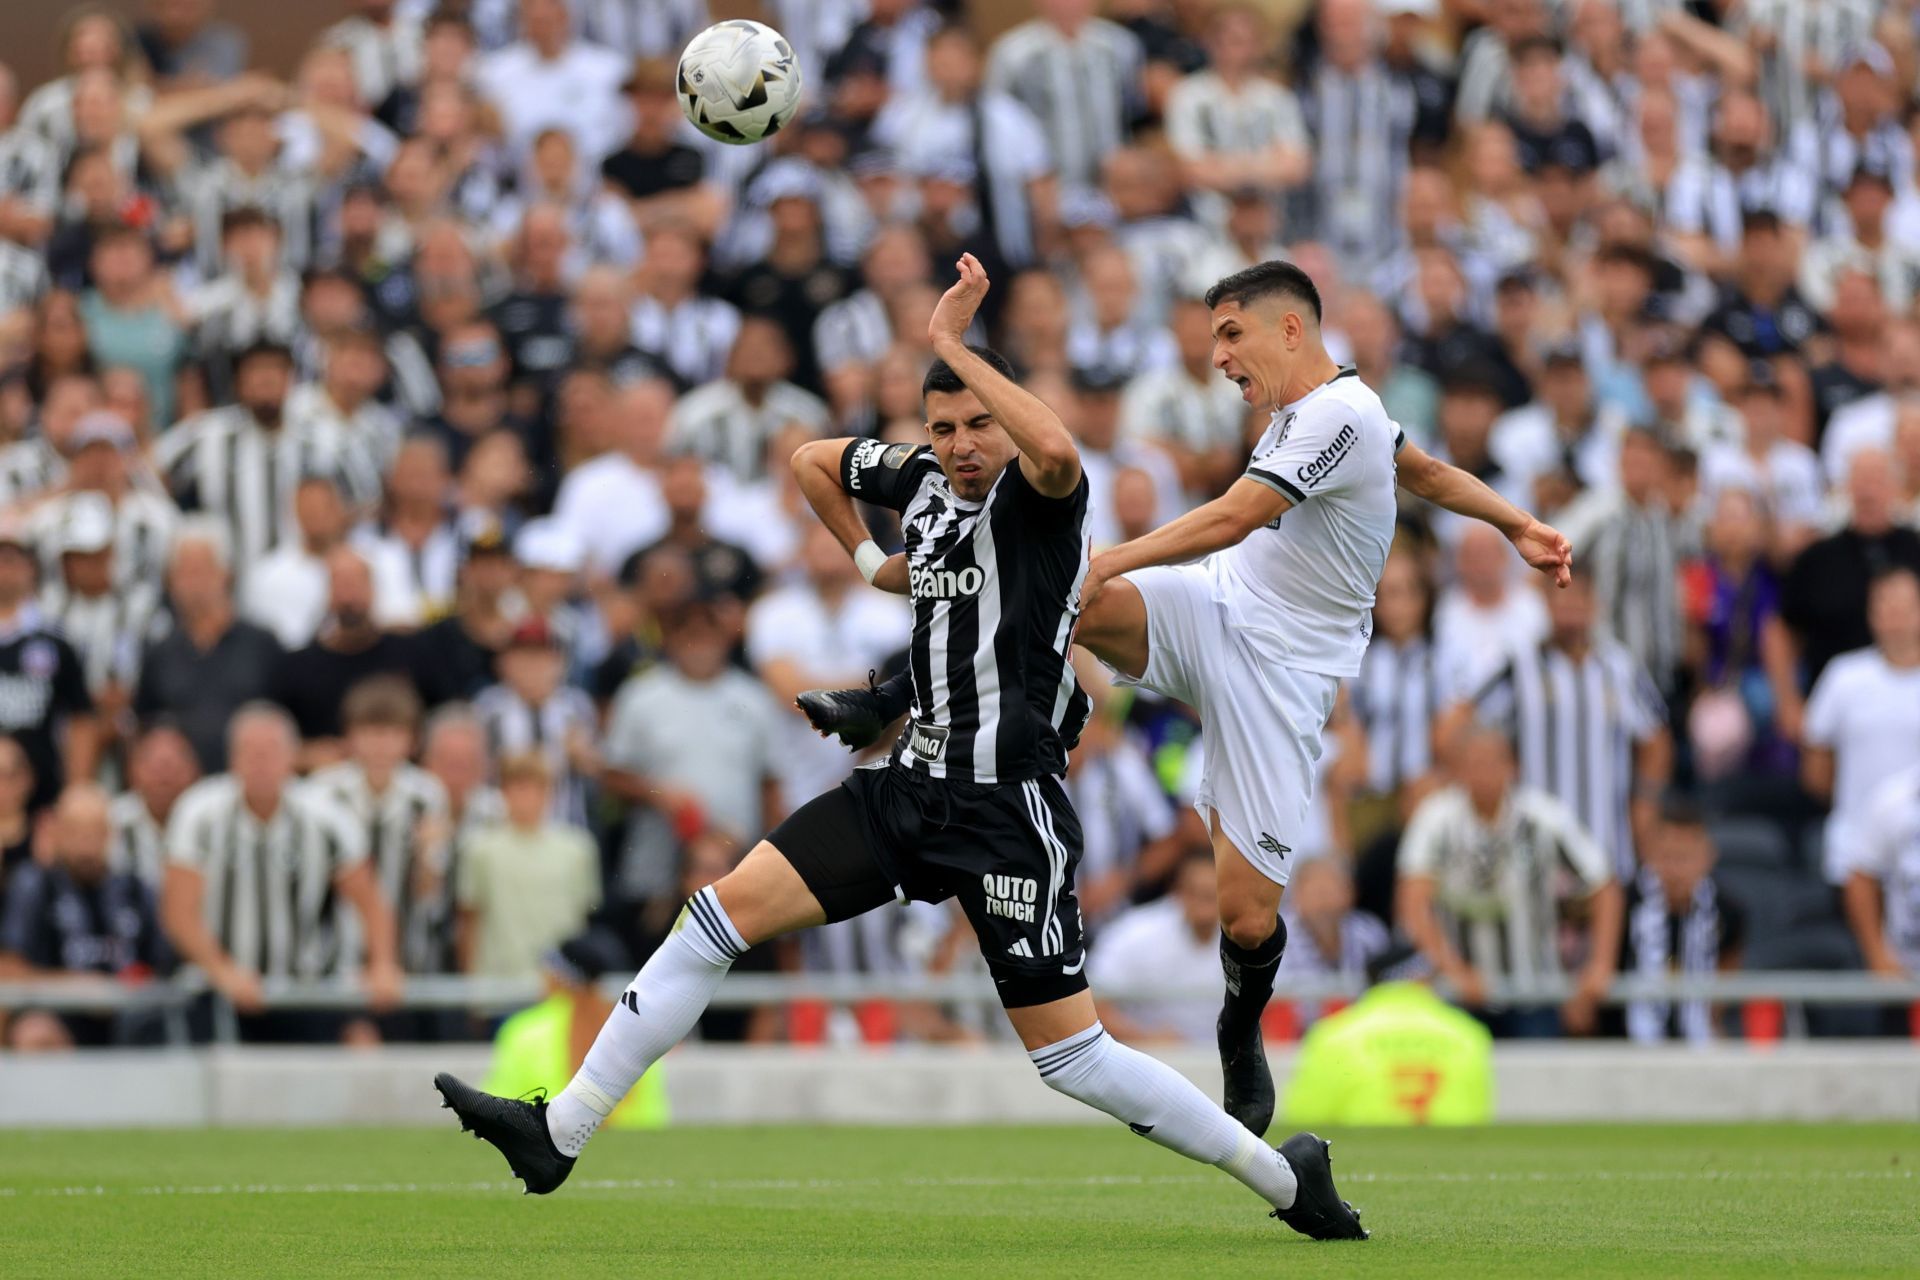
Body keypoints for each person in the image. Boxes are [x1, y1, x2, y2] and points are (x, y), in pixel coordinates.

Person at [435, 255, 1368, 1242]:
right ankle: (560, 1131)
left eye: (978, 423)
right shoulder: (922, 483)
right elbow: (810, 461)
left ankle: (1282, 1175)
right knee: (713, 917)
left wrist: (950, 343)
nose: (962, 445)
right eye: (945, 427)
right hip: (908, 785)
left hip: (1010, 812)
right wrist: (871, 557)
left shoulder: (1043, 505)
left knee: (1073, 1056)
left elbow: (1053, 445)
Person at [1015, 260, 1565, 1134]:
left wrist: (1112, 555)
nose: (1221, 359)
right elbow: (1422, 473)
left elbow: (1236, 513)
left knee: (1246, 914)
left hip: (1284, 674)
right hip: (1216, 604)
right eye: (1212, 342)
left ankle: (1241, 1025)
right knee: (1060, 600)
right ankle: (927, 701)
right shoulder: (1344, 414)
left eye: (1232, 336)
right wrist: (1517, 520)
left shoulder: (1337, 414)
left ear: (1291, 330)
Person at [159, 703, 403, 1041]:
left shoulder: (327, 817)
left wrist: (383, 964)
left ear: (291, 758)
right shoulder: (199, 814)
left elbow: (370, 901)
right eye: (250, 753)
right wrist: (224, 972)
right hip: (218, 991)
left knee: (361, 1043)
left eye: (271, 752)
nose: (261, 763)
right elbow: (179, 914)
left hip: (309, 990)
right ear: (233, 759)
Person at [1395, 724, 1622, 1038]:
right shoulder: (1436, 820)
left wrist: (1600, 964)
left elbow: (1604, 886)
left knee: (1536, 1083)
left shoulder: (1543, 817)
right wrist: (1454, 970)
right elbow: (1412, 903)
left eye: (1491, 762)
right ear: (1458, 769)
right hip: (1459, 996)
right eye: (1473, 763)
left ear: (1513, 766)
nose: (1483, 772)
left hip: (1534, 991)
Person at [0, 782, 172, 1046]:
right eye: (75, 831)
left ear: (110, 834)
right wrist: (76, 986)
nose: (85, 845)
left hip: (131, 1020)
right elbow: (8, 970)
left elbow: (164, 967)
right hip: (60, 1018)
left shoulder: (137, 890)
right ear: (57, 832)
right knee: (35, 1032)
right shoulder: (34, 886)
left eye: (94, 832)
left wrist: (134, 984)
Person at [308, 677, 452, 975]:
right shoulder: (324, 792)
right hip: (334, 962)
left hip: (408, 960)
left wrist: (429, 856)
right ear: (349, 737)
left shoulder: (426, 795)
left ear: (412, 741)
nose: (381, 745)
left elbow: (431, 892)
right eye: (370, 732)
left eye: (392, 733)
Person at [1280, 940, 1494, 1128]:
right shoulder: (1467, 1034)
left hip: (1359, 1159)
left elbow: (1303, 1122)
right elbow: (1478, 1116)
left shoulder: (1332, 1035)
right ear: (1422, 977)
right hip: (1452, 1157)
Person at [1800, 567, 1920, 886]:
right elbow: (1816, 767)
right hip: (1852, 854)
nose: (1894, 614)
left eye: (1903, 605)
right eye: (1884, 604)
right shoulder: (1843, 675)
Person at [480, 928, 668, 1130]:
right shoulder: (634, 1028)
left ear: (557, 976)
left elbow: (496, 1109)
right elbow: (651, 1116)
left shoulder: (525, 1030)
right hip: (628, 1146)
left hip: (549, 1145)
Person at [454, 751, 601, 981]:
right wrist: (473, 989)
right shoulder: (480, 849)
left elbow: (583, 919)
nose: (527, 797)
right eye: (518, 787)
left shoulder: (578, 848)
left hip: (560, 985)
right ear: (504, 791)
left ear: (549, 792)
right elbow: (469, 922)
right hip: (498, 988)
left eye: (536, 788)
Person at [1620, 795, 1746, 1044]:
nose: (1676, 870)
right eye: (1667, 856)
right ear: (1649, 853)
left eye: (1685, 857)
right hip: (1631, 1044)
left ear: (1708, 855)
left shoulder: (1728, 910)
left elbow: (1727, 974)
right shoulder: (1626, 904)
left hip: (1700, 1042)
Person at [0, 519, 99, 813]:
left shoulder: (55, 641)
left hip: (44, 801)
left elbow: (81, 720)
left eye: (10, 561)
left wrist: (74, 795)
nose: (4, 571)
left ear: (31, 567)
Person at [1086, 849, 1224, 1045]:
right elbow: (1092, 1001)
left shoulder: (1252, 935)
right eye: (1195, 892)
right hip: (1148, 1059)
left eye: (1211, 894)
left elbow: (1273, 1008)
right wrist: (1145, 1039)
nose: (1204, 907)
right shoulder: (1134, 932)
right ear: (1178, 891)